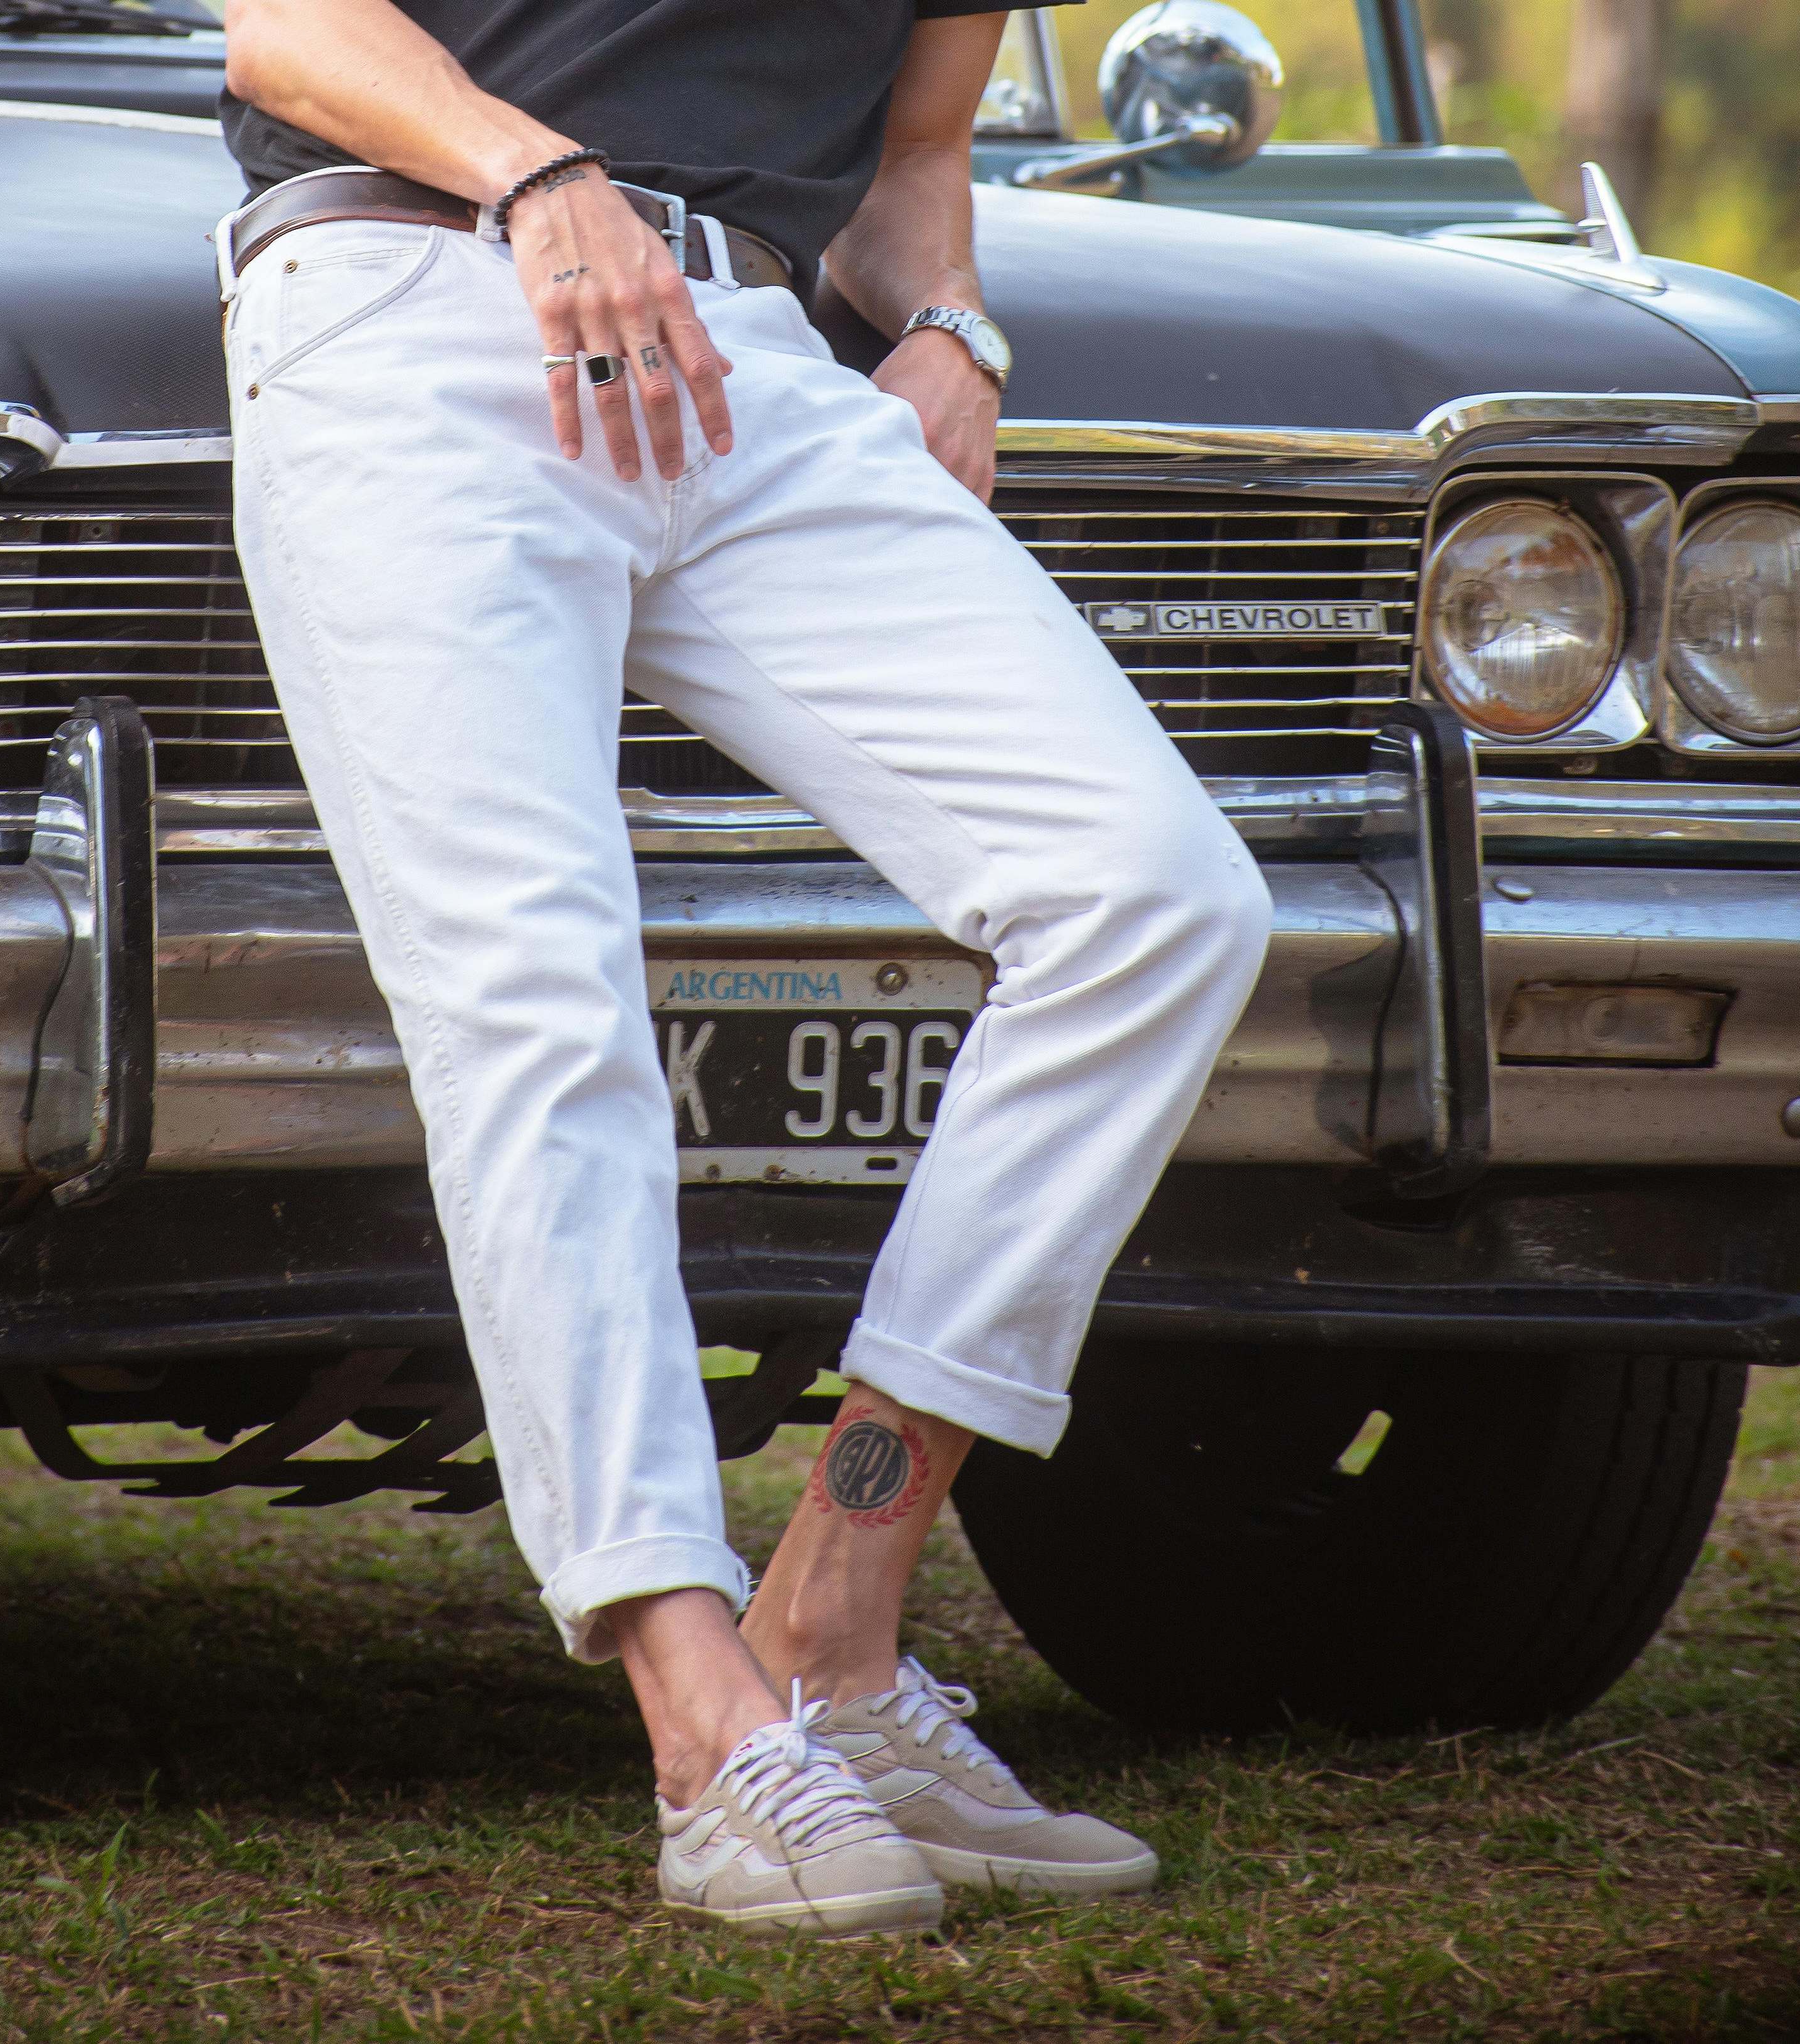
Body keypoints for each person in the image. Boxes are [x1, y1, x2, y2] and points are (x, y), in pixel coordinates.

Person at [215, 0, 1273, 1938]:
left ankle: (839, 1621)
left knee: (1156, 899)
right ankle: (703, 1721)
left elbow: (912, 171)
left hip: (750, 355)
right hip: (408, 300)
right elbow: (289, 33)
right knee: (537, 1001)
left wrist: (954, 327)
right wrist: (539, 176)